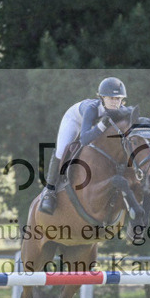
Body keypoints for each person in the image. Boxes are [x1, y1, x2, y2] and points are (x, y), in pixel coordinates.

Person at [39, 77, 130, 215]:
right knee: (61, 150)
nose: (114, 102)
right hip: (74, 120)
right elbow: (84, 139)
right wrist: (102, 125)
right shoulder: (92, 109)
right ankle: (49, 191)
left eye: (118, 99)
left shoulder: (122, 111)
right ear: (102, 98)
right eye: (111, 98)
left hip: (91, 127)